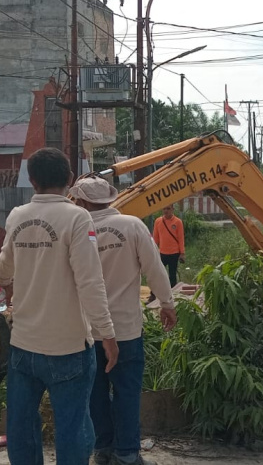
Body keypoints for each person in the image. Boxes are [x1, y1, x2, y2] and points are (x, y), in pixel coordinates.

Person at [0, 148, 119, 465]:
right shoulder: (77, 217)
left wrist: (9, 283)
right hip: (69, 347)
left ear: (32, 180)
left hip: (24, 345)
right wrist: (107, 334)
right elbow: (90, 282)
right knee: (72, 427)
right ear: (70, 179)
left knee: (22, 427)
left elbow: (4, 270)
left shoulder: (17, 215)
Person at [70, 177, 177, 465]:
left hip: (87, 330)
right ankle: (127, 454)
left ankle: (103, 449)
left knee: (95, 393)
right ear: (109, 198)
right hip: (126, 329)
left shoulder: (76, 228)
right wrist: (167, 304)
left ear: (82, 201)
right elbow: (155, 268)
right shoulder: (132, 226)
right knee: (127, 392)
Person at [152, 204, 185, 288]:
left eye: (168, 208)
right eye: (164, 209)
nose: (166, 211)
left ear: (172, 209)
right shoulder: (158, 221)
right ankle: (156, 292)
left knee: (172, 275)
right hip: (162, 253)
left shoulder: (178, 222)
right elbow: (155, 238)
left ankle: (172, 292)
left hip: (174, 253)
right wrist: (153, 251)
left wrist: (182, 253)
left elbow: (181, 238)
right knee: (158, 273)